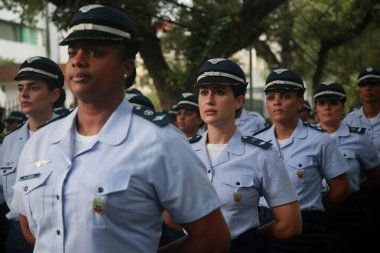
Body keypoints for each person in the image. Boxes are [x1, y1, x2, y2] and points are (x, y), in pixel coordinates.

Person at [11, 5, 230, 253]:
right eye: (73, 52)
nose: (79, 61)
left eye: (95, 52)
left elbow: (212, 240)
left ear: (126, 68)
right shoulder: (40, 143)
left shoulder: (159, 143)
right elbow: (31, 230)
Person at [186, 58, 302, 252]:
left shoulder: (261, 154)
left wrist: (248, 239)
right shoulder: (183, 151)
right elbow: (168, 217)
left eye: (219, 92)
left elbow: (290, 224)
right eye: (204, 92)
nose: (209, 99)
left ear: (238, 101)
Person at [254, 68, 350, 253]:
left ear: (300, 102)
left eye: (285, 96)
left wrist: (313, 209)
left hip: (305, 229)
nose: (277, 102)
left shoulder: (319, 141)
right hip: (263, 222)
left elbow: (341, 189)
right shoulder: (256, 142)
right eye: (271, 97)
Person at [0, 56, 66, 253]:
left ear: (54, 94)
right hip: (16, 237)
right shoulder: (9, 142)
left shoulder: (71, 136)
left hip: (59, 234)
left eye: (34, 87)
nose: (24, 94)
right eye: (20, 88)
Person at [313, 81, 380, 253]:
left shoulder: (359, 138)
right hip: (314, 210)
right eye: (322, 103)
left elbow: (375, 175)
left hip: (347, 211)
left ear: (342, 107)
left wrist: (352, 188)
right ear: (317, 109)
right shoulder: (304, 138)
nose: (327, 108)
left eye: (333, 103)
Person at [342, 66, 380, 250]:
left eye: (373, 83)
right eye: (364, 84)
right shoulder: (349, 121)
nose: (368, 88)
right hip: (360, 190)